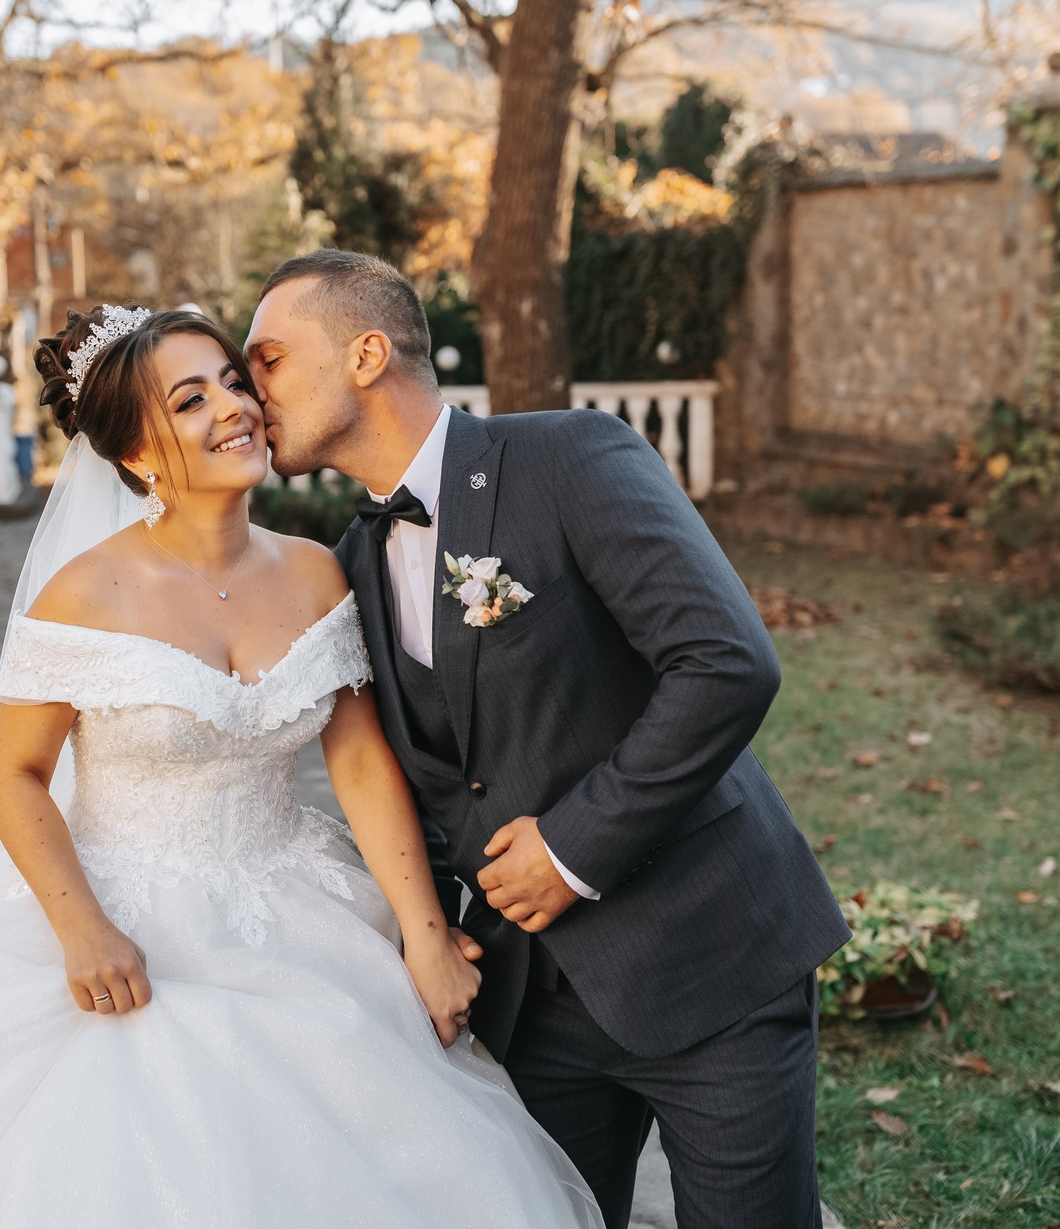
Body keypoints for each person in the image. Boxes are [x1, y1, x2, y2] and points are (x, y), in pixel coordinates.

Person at [0, 303, 603, 1228]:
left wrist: (422, 933)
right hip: (114, 913)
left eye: (231, 381)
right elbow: (17, 778)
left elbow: (361, 764)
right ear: (138, 456)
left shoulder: (315, 574)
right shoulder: (84, 594)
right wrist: (83, 930)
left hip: (294, 909)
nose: (234, 407)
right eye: (190, 401)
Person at [244, 249, 852, 1229]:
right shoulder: (351, 561)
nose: (250, 389)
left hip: (706, 957)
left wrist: (573, 849)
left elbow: (725, 661)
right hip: (525, 995)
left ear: (365, 354)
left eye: (268, 358)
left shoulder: (569, 456)